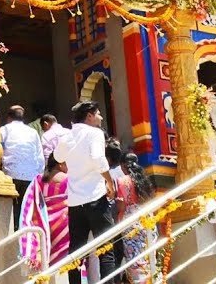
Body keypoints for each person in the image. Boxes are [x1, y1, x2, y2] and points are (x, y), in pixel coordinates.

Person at [54, 101, 116, 284]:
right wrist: (110, 182)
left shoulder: (67, 136)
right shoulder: (95, 133)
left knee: (76, 252)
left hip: (75, 202)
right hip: (96, 198)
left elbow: (57, 157)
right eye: (98, 113)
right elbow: (98, 159)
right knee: (106, 249)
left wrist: (71, 165)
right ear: (89, 115)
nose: (101, 117)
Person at [106, 143, 149, 284]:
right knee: (146, 255)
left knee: (134, 259)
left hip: (130, 222)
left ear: (123, 165)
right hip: (146, 219)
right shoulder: (144, 180)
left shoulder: (122, 181)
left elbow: (122, 205)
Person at [20, 155, 70, 271]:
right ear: (61, 163)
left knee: (46, 258)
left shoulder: (38, 180)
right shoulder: (70, 179)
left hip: (43, 223)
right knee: (62, 264)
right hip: (64, 225)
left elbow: (30, 203)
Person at [0, 105, 46, 214]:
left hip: (10, 175)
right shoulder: (33, 132)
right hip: (30, 177)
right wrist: (37, 176)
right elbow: (40, 158)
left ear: (9, 118)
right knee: (25, 212)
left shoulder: (4, 130)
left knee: (11, 211)